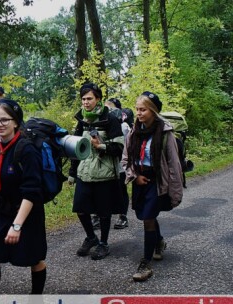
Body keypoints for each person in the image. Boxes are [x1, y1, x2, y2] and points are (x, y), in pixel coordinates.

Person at [0, 99, 47, 294]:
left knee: (34, 258)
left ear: (15, 122)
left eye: (4, 120)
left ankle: (36, 297)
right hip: (2, 210)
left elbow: (31, 191)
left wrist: (17, 226)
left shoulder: (27, 150)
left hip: (27, 212)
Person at [122, 91, 183, 282]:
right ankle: (159, 241)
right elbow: (126, 159)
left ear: (153, 111)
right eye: (137, 109)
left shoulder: (165, 133)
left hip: (157, 182)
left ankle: (145, 263)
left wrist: (175, 192)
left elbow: (174, 165)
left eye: (143, 110)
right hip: (140, 180)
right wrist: (135, 176)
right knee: (145, 215)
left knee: (148, 218)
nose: (139, 113)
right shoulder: (133, 132)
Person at [68, 83, 125, 261]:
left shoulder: (110, 119)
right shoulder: (82, 120)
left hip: (104, 173)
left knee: (103, 211)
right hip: (84, 172)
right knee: (80, 208)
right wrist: (72, 172)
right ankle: (91, 237)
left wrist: (101, 146)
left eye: (89, 98)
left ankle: (104, 243)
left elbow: (119, 147)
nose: (85, 102)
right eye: (83, 99)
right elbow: (75, 148)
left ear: (98, 99)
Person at [105, 98, 131, 229]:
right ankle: (101, 216)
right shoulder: (104, 123)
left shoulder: (124, 126)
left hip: (121, 164)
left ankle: (123, 216)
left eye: (110, 108)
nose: (107, 110)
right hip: (107, 164)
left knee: (121, 190)